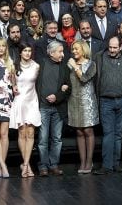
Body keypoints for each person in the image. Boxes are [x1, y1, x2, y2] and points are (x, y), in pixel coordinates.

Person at [93, 36, 122, 174]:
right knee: (108, 133)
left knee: (118, 134)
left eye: (115, 48)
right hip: (106, 101)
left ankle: (116, 163)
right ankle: (106, 165)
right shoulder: (99, 57)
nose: (112, 50)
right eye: (110, 47)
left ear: (120, 47)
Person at [36, 40, 71, 176]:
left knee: (57, 138)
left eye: (62, 51)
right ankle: (43, 166)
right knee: (43, 139)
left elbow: (69, 88)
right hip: (43, 107)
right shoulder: (41, 64)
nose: (63, 54)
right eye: (60, 52)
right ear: (51, 53)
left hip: (58, 108)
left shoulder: (64, 67)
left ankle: (54, 164)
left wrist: (58, 96)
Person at [67, 40, 99, 174]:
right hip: (74, 100)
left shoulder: (91, 64)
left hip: (87, 101)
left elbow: (85, 79)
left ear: (83, 50)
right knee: (79, 131)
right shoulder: (69, 64)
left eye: (77, 49)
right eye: (73, 49)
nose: (74, 51)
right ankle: (82, 161)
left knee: (88, 131)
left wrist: (75, 67)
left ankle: (89, 161)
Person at [9, 43, 41, 178]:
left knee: (31, 133)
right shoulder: (13, 66)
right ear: (20, 53)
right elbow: (13, 84)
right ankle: (26, 165)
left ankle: (26, 165)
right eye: (25, 51)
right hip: (20, 101)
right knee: (22, 134)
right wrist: (13, 87)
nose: (27, 53)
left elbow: (39, 83)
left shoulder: (36, 66)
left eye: (29, 50)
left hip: (32, 101)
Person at [0, 37, 17, 178]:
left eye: (3, 46)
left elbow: (14, 85)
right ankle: (3, 166)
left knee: (4, 134)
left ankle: (2, 167)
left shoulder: (11, 64)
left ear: (6, 48)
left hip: (6, 101)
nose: (0, 48)